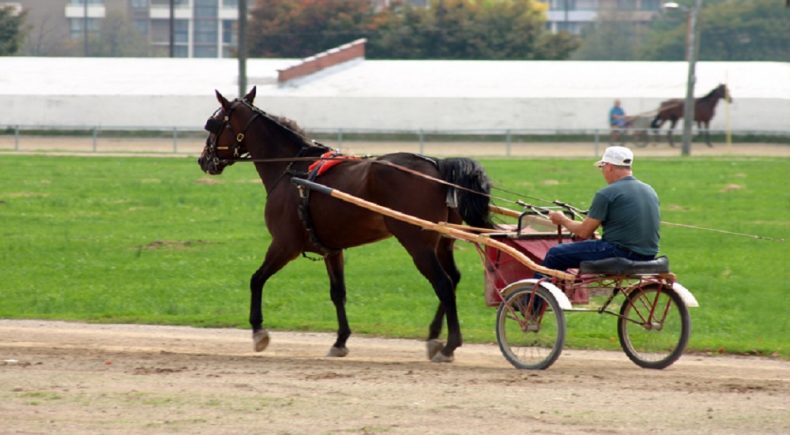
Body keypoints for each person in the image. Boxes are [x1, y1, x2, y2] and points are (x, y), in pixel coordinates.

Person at [539, 146, 660, 276]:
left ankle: (536, 295)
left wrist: (562, 220)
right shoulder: (649, 190)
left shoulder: (607, 193)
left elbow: (584, 232)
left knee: (555, 254)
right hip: (648, 254)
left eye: (602, 168)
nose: (603, 172)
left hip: (619, 253)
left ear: (608, 166)